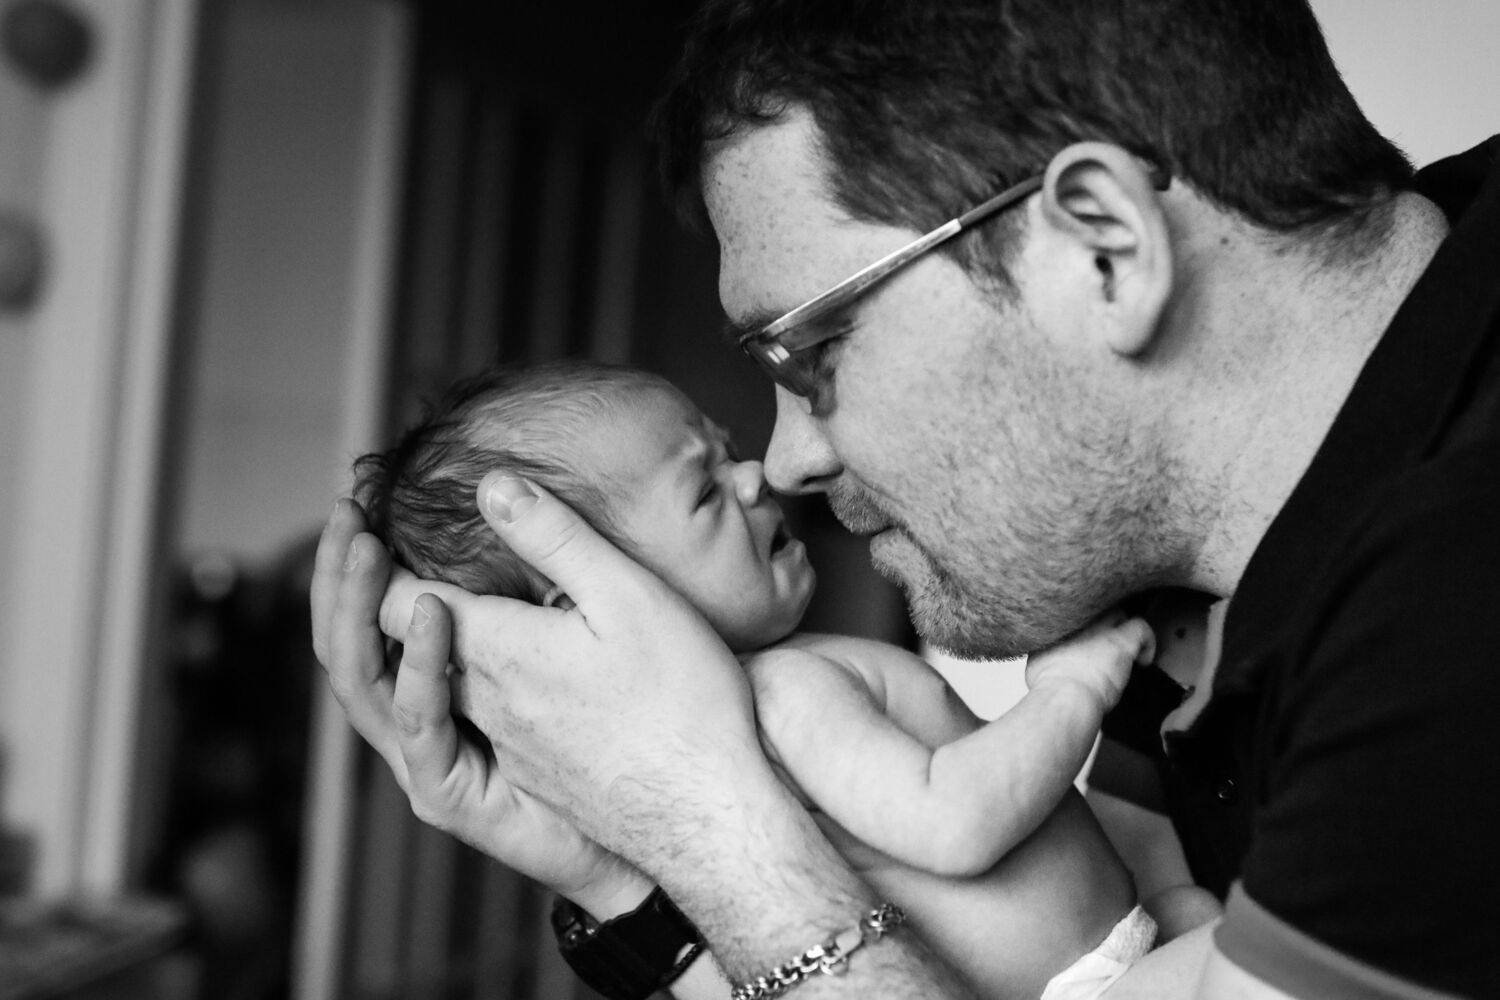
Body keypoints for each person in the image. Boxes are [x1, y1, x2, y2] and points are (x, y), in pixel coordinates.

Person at [311, 0, 1500, 996]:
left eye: (810, 350)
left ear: (1101, 246)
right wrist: (613, 868)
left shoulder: (1455, 592)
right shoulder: (1193, 545)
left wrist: (707, 823)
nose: (787, 460)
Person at [351, 358, 1170, 1000]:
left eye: (728, 452)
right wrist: (1070, 691)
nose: (754, 478)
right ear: (592, 604)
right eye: (704, 492)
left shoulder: (771, 698)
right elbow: (956, 822)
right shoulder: (786, 695)